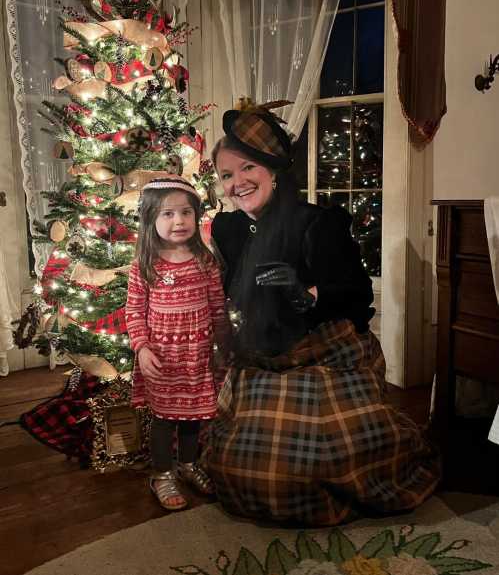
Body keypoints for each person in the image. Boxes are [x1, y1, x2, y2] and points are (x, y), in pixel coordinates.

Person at [204, 102, 441, 525]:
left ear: (273, 170)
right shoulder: (227, 229)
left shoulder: (317, 223)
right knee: (242, 468)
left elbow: (354, 294)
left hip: (326, 354)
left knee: (299, 469)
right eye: (226, 175)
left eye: (248, 169)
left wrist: (303, 292)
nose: (237, 183)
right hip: (262, 358)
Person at [126, 175, 229, 511]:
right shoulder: (144, 265)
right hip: (162, 358)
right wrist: (141, 347)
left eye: (185, 213)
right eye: (168, 214)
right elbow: (134, 312)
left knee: (192, 416)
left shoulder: (205, 260)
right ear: (151, 219)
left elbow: (217, 306)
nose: (179, 221)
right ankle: (162, 473)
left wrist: (225, 346)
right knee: (164, 418)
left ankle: (188, 464)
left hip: (196, 355)